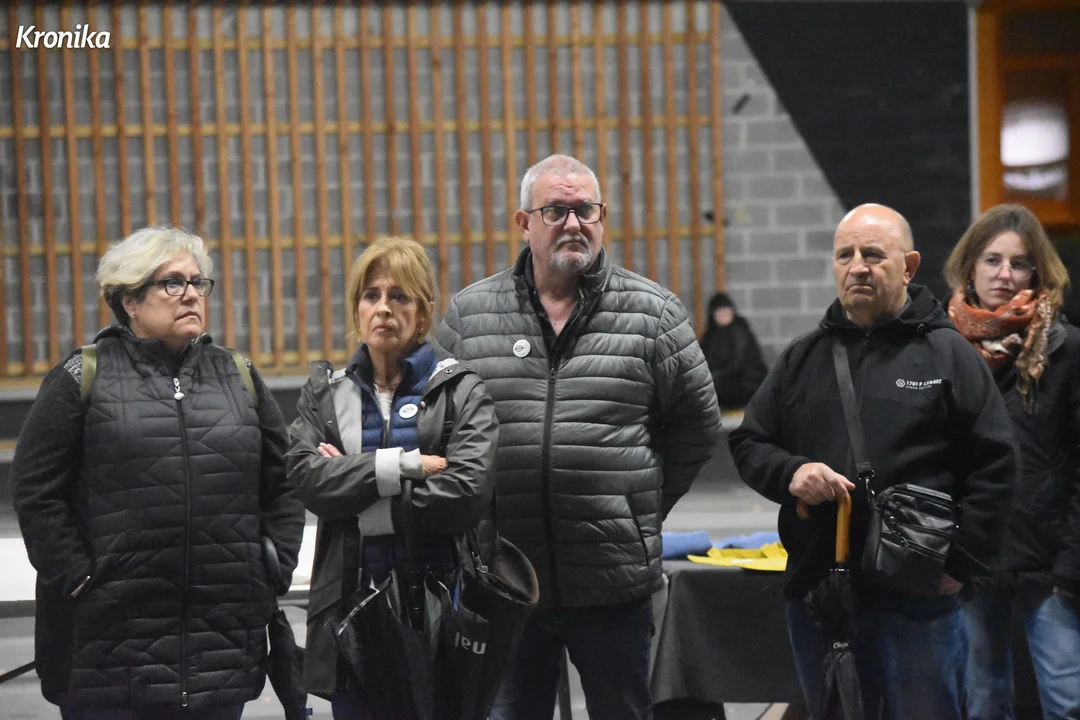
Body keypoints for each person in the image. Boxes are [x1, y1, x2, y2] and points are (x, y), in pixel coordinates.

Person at [435, 153, 722, 720]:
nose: (573, 223)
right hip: (507, 580)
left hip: (613, 582)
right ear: (525, 223)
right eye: (556, 211)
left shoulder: (654, 314)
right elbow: (441, 430)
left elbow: (699, 423)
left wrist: (641, 508)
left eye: (585, 210)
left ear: (602, 217)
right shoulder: (469, 316)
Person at [729, 203, 1018, 719]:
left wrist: (958, 567)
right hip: (822, 596)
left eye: (873, 254)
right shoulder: (803, 358)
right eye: (845, 255)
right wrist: (791, 473)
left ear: (909, 266)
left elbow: (996, 466)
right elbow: (750, 441)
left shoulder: (949, 355)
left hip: (919, 601)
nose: (857, 267)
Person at [11, 226, 305, 720]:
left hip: (220, 646)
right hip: (108, 648)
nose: (191, 294)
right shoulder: (81, 376)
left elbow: (285, 480)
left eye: (198, 282)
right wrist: (78, 578)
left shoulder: (238, 375)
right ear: (129, 300)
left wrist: (272, 568)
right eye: (172, 283)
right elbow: (35, 491)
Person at [286, 236, 499, 718]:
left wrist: (357, 493)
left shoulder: (461, 390)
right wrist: (403, 466)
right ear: (357, 309)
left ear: (423, 311)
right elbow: (307, 480)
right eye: (371, 295)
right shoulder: (326, 394)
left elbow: (465, 494)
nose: (383, 307)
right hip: (350, 618)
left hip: (441, 612)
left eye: (399, 295)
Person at [944, 204, 1080, 720]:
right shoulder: (944, 349)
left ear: (1037, 272)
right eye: (992, 260)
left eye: (1019, 263)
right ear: (969, 268)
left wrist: (1071, 565)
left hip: (1050, 560)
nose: (1005, 274)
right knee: (981, 703)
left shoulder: (1066, 349)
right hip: (973, 556)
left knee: (1068, 702)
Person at [699, 291, 769, 410]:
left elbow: (737, 365)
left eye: (726, 312)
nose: (724, 316)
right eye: (720, 312)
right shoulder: (711, 335)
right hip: (724, 382)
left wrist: (714, 377)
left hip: (746, 383)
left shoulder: (738, 332)